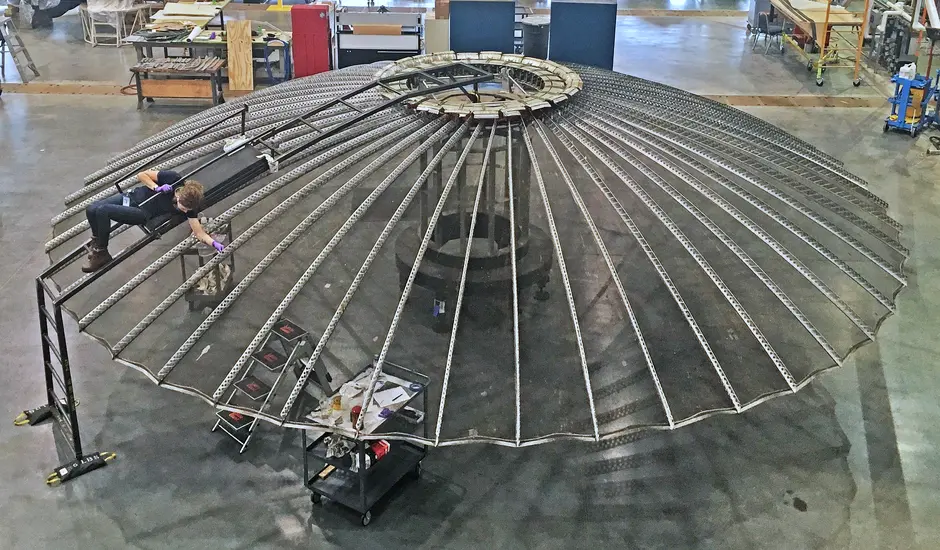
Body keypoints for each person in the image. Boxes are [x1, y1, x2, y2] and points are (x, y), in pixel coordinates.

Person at [83, 169, 224, 273]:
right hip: (132, 197)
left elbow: (199, 232)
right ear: (179, 195)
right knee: (91, 209)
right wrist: (156, 187)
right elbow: (141, 175)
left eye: (188, 210)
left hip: (142, 213)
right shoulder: (173, 178)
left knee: (103, 211)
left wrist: (214, 243)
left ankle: (101, 252)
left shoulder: (190, 208)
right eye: (184, 207)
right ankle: (97, 240)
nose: (186, 212)